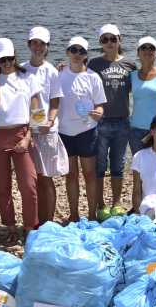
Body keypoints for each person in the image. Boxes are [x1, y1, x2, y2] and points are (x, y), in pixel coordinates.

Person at [0, 38, 43, 243]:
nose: (7, 63)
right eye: (2, 60)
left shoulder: (27, 78)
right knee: (3, 186)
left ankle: (30, 225)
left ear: (15, 57)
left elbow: (37, 112)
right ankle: (10, 226)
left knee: (29, 184)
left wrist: (29, 136)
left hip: (21, 134)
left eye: (10, 58)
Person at [57, 36, 107, 222]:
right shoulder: (59, 74)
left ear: (86, 54)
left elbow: (100, 104)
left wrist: (99, 112)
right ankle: (74, 214)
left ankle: (92, 214)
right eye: (74, 50)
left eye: (81, 51)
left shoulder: (93, 77)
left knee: (89, 174)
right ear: (68, 52)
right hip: (64, 131)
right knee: (71, 175)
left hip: (87, 131)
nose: (77, 54)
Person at [89, 23, 137, 213]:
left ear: (119, 40)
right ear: (100, 42)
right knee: (100, 165)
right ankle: (101, 204)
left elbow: (142, 83)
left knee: (118, 164)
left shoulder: (130, 65)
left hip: (122, 122)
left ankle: (116, 203)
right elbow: (78, 75)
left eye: (113, 39)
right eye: (105, 39)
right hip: (100, 123)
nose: (109, 43)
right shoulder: (93, 64)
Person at [22, 26, 66, 224]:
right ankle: (35, 220)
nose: (38, 47)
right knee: (32, 179)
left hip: (46, 131)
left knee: (46, 177)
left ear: (47, 47)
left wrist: (50, 120)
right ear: (29, 45)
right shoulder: (21, 69)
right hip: (27, 131)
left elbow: (55, 100)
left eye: (42, 44)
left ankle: (48, 221)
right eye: (35, 43)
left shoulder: (51, 71)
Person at [129, 36, 156, 152]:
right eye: (143, 48)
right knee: (138, 166)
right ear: (138, 53)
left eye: (151, 48)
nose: (147, 51)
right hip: (135, 129)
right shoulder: (132, 76)